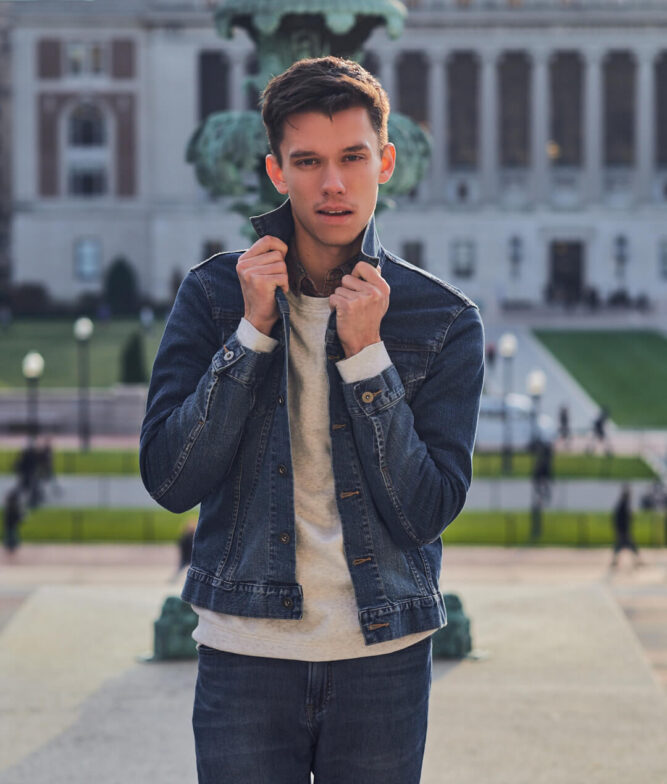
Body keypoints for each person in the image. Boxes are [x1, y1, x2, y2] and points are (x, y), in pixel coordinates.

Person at [140, 56, 484, 784]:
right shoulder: (213, 296)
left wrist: (367, 357)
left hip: (382, 657)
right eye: (308, 162)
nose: (332, 183)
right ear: (276, 172)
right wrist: (250, 336)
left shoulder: (442, 319)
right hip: (246, 652)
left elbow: (424, 510)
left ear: (384, 162)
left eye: (352, 158)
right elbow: (171, 478)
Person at [611, 484, 641, 568]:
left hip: (623, 530)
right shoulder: (623, 505)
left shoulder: (623, 504)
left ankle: (615, 561)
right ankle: (636, 561)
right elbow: (622, 518)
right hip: (623, 530)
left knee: (622, 546)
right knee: (629, 546)